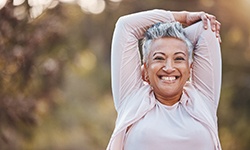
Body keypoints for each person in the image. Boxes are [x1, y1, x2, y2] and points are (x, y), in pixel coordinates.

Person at [108, 9, 222, 150]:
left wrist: (179, 36)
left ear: (190, 69)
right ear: (145, 70)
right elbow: (125, 26)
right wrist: (183, 17)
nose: (169, 67)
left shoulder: (203, 99)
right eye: (159, 58)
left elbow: (206, 29)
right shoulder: (131, 99)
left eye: (179, 58)